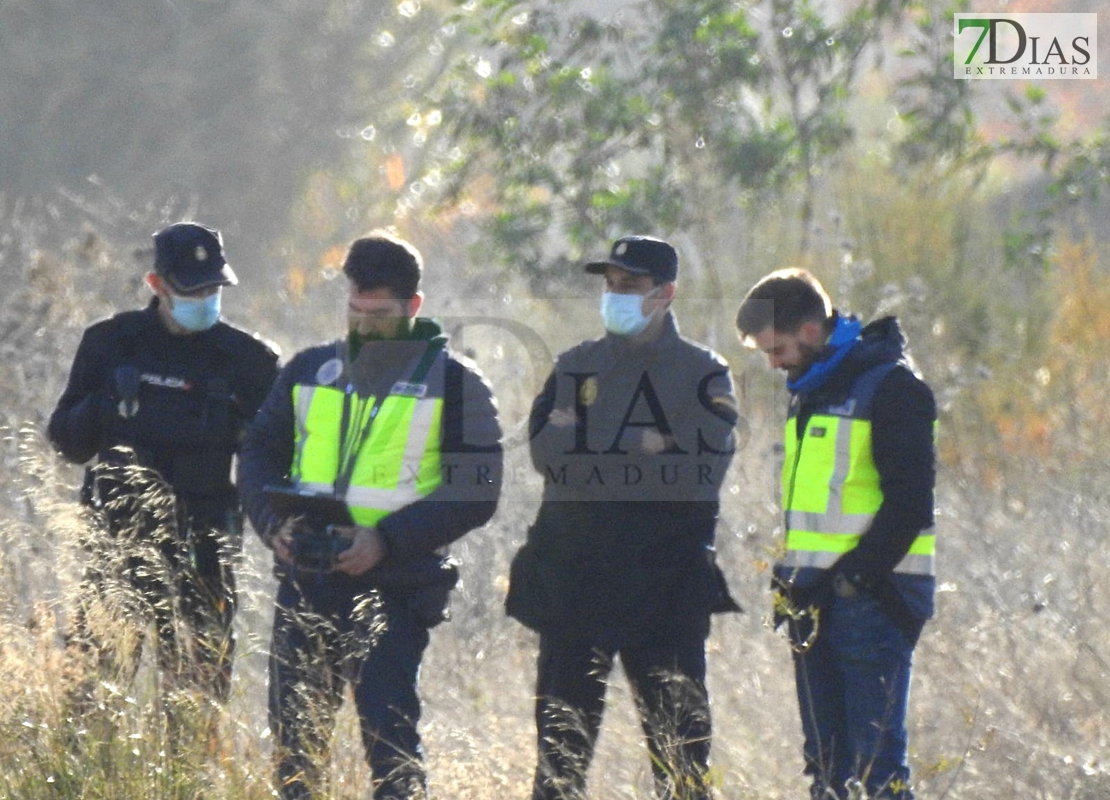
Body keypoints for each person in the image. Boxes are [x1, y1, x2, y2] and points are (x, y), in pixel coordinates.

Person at [237, 231, 502, 800]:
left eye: (378, 315)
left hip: (395, 590)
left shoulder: (457, 383)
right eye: (354, 311)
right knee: (294, 755)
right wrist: (272, 524)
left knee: (392, 752)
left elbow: (479, 490)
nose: (363, 326)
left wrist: (384, 541)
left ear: (414, 308)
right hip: (306, 580)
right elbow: (258, 452)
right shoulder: (309, 368)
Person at [506, 235, 741, 800]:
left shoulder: (705, 373)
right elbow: (545, 454)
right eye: (610, 285)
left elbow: (700, 468)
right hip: (575, 584)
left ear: (665, 294)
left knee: (682, 764)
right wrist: (644, 440)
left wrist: (587, 437)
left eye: (630, 286)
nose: (615, 296)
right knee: (559, 764)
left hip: (666, 589)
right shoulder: (576, 364)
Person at [48, 221, 280, 710]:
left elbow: (277, 459)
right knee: (89, 704)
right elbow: (66, 441)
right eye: (192, 289)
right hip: (116, 548)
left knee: (194, 708)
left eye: (214, 288)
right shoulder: (111, 343)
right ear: (157, 286)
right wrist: (105, 403)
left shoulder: (251, 361)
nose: (205, 298)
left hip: (205, 556)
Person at [734, 268, 937, 800]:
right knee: (827, 772)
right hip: (815, 599)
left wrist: (855, 577)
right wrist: (794, 578)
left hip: (874, 600)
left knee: (878, 774)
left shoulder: (891, 386)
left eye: (776, 349)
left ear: (809, 330)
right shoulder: (811, 390)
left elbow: (911, 502)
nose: (773, 364)